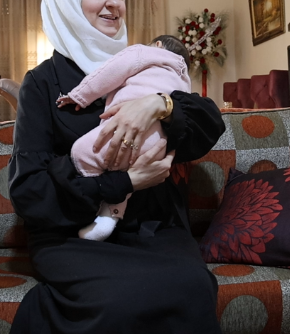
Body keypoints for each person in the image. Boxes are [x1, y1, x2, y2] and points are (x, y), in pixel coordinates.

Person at [8, 0, 225, 334]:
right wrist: (126, 182)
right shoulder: (43, 82)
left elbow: (208, 123)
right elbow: (30, 191)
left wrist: (158, 103)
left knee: (192, 288)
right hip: (73, 233)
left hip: (154, 228)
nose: (114, 2)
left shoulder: (145, 63)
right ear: (68, 1)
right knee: (121, 300)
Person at [56, 35, 192, 241]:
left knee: (81, 153)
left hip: (124, 134)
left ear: (157, 45)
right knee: (127, 173)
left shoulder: (143, 53)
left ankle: (97, 209)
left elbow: (110, 72)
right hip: (157, 146)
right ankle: (112, 213)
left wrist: (79, 95)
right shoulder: (183, 79)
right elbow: (188, 112)